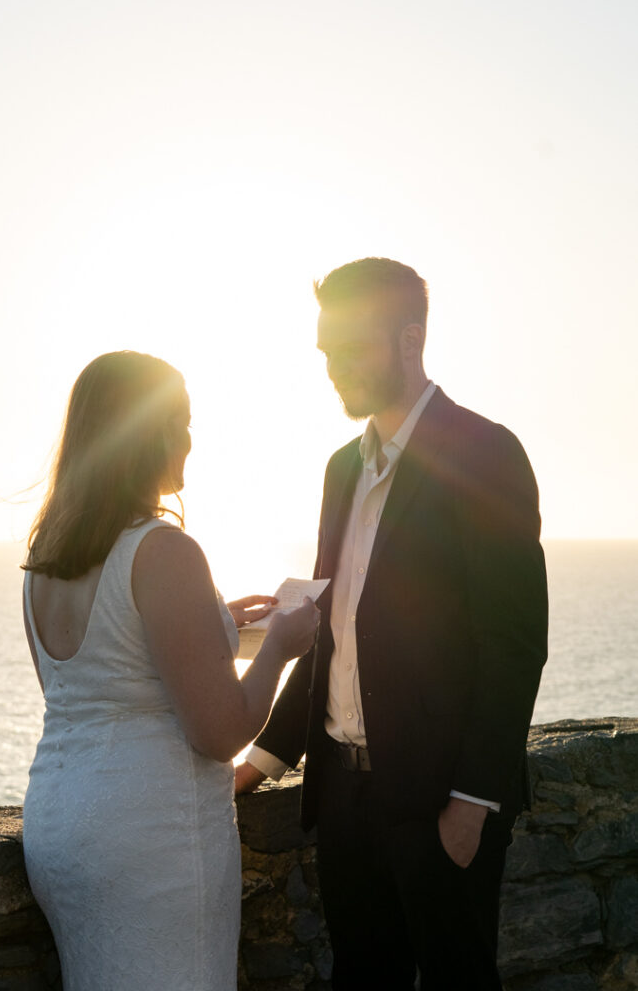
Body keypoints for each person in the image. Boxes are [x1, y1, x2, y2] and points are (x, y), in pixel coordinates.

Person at [236, 258, 548, 990]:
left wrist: (472, 803)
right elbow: (331, 630)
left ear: (409, 341)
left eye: (350, 349)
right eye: (324, 352)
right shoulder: (341, 468)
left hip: (441, 802)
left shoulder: (485, 453)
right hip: (344, 799)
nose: (332, 369)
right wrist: (263, 758)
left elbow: (512, 644)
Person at [22, 350, 319, 991]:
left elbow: (107, 675)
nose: (189, 438)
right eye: (180, 420)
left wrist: (218, 626)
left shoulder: (43, 562)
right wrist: (278, 648)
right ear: (145, 433)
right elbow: (220, 734)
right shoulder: (164, 550)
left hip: (59, 827)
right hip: (151, 840)